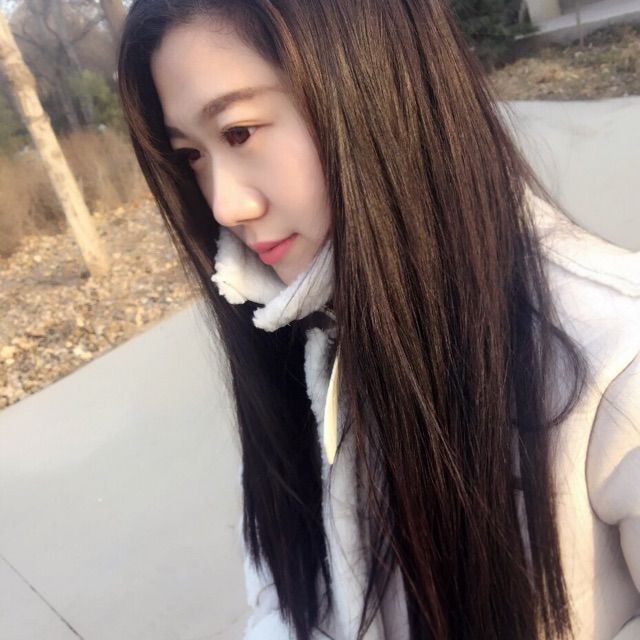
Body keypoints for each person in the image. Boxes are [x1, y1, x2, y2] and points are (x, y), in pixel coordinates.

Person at [117, 1, 640, 638]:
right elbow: (280, 598)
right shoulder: (297, 333)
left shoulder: (618, 364)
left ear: (376, 86)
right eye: (190, 156)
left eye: (239, 132)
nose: (225, 205)